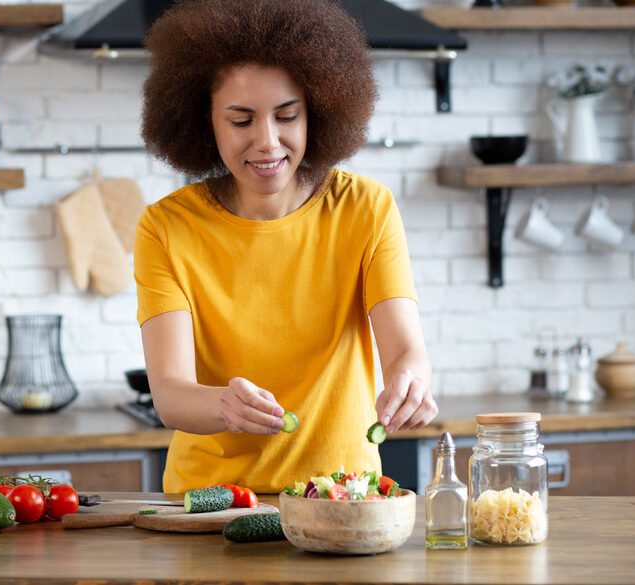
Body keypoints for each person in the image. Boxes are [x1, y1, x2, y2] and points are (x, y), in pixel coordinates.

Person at [134, 0, 437, 494]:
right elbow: (170, 395)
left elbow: (406, 350)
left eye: (286, 116)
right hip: (215, 501)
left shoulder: (366, 208)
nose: (268, 142)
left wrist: (411, 383)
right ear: (204, 121)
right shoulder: (167, 227)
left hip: (342, 495)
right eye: (241, 120)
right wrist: (222, 405)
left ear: (315, 113)